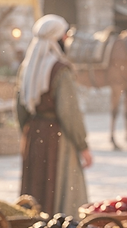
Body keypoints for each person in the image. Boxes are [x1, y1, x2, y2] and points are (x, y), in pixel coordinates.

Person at [16, 14, 92, 214]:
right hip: (57, 136)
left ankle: (34, 220)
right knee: (59, 185)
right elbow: (69, 112)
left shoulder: (27, 68)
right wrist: (82, 145)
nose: (66, 39)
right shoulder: (60, 70)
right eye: (64, 35)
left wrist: (29, 134)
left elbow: (21, 109)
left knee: (36, 185)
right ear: (57, 38)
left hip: (34, 133)